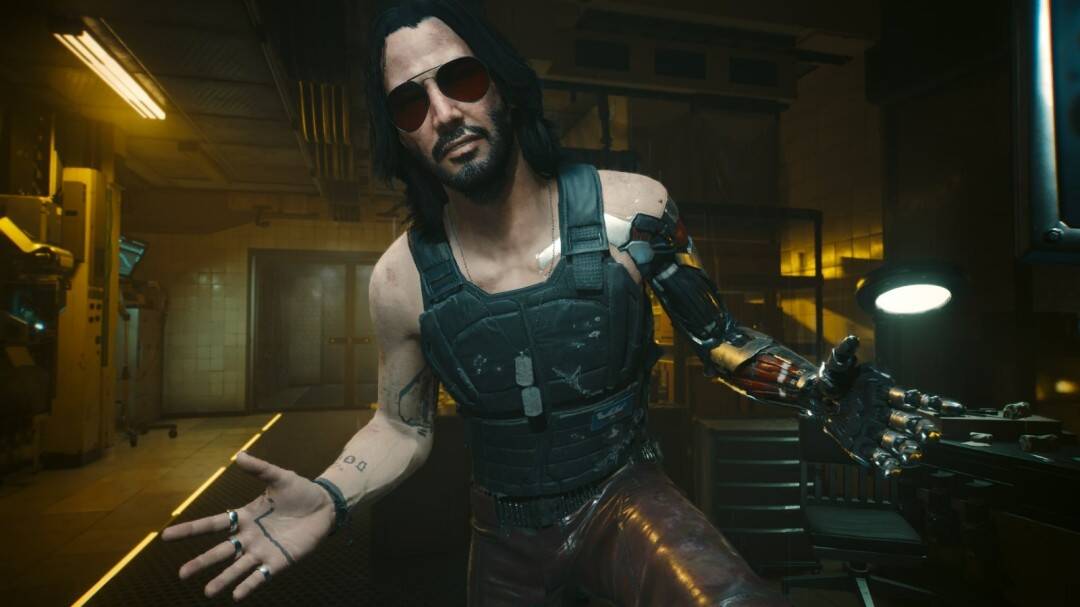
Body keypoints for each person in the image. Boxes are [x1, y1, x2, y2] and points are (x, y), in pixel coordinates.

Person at [162, 1, 946, 604]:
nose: (443, 112)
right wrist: (332, 494)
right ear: (399, 135)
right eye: (410, 103)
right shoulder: (400, 279)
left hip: (629, 498)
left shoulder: (634, 211)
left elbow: (718, 339)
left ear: (500, 83)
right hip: (503, 535)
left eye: (459, 79)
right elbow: (403, 424)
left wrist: (812, 385)